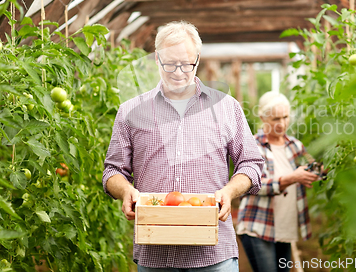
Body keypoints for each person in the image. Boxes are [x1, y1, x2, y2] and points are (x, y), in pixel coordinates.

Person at [102, 21, 264, 271]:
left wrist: (230, 191)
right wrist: (124, 191)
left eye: (186, 64)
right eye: (169, 64)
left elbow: (251, 163)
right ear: (156, 59)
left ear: (197, 60)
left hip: (214, 253)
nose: (178, 72)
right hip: (155, 252)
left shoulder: (226, 107)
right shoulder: (130, 112)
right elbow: (113, 171)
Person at [236, 91, 321, 272]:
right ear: (263, 118)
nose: (282, 124)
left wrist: (329, 164)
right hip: (258, 226)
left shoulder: (295, 146)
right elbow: (253, 184)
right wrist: (293, 177)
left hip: (285, 227)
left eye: (285, 117)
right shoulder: (253, 146)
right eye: (276, 119)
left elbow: (316, 169)